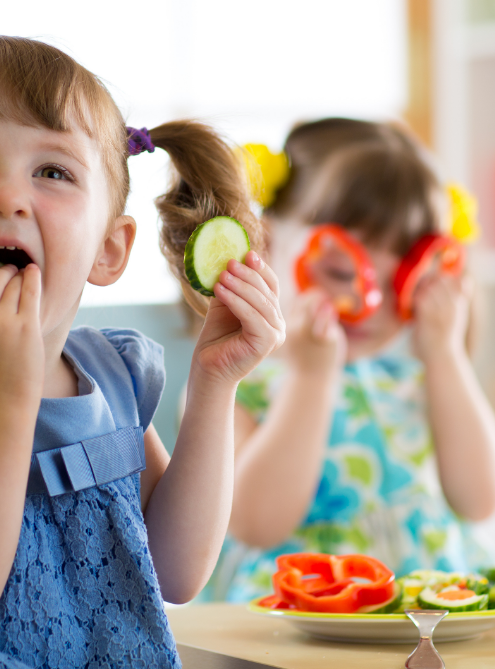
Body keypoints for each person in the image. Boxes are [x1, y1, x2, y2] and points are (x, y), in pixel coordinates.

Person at [0, 37, 285, 666]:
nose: (6, 198)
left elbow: (177, 572)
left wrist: (214, 385)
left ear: (109, 250)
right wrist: (5, 404)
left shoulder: (113, 377)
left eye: (53, 172)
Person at [204, 117, 495, 603]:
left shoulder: (424, 374)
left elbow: (479, 499)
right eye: (342, 270)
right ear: (268, 241)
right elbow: (255, 522)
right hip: (300, 616)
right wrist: (311, 378)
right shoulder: (241, 376)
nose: (370, 302)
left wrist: (445, 355)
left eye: (403, 277)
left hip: (426, 613)